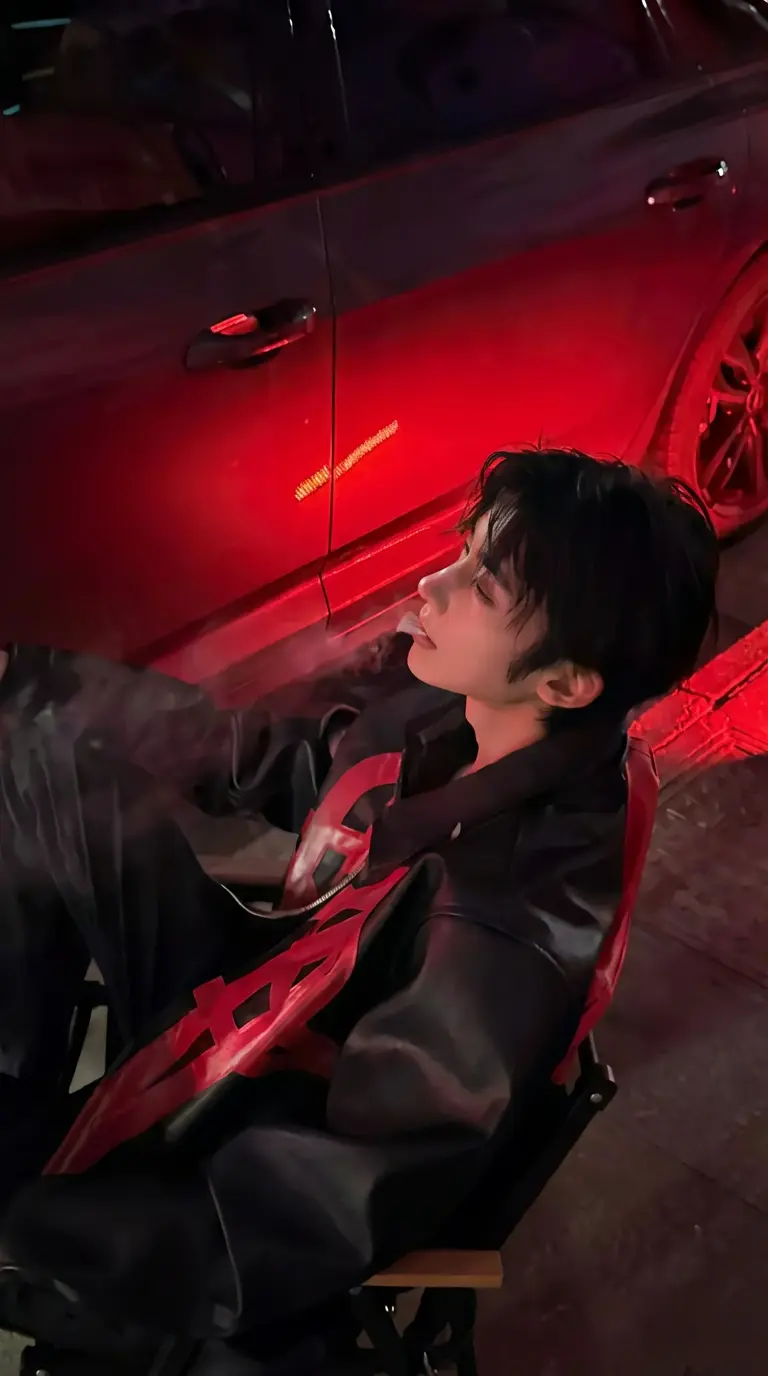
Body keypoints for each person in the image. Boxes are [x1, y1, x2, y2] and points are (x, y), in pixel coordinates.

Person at [0, 449, 717, 1372]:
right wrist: (28, 678)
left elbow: (317, 1208)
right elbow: (255, 750)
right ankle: (20, 1084)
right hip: (275, 980)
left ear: (565, 683)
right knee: (30, 746)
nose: (432, 584)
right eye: (465, 551)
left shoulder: (500, 933)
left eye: (480, 585)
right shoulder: (452, 707)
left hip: (269, 1114)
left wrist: (44, 1231)